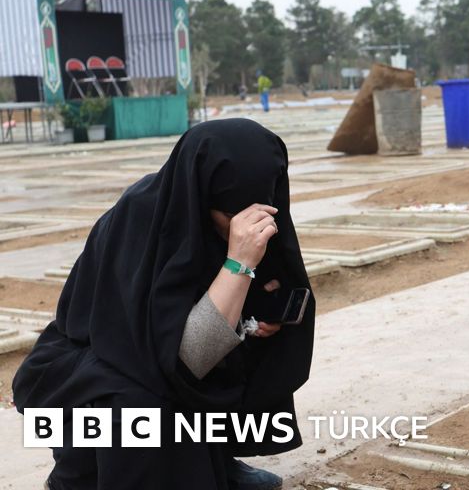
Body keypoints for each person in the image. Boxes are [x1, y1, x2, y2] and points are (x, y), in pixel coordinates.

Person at [13, 119, 315, 490]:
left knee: (257, 349)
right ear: (203, 194)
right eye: (231, 216)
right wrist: (239, 263)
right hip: (97, 361)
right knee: (145, 404)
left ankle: (218, 459)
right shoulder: (141, 218)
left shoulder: (236, 211)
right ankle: (78, 475)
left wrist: (263, 315)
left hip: (160, 353)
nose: (244, 227)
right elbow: (187, 355)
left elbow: (267, 289)